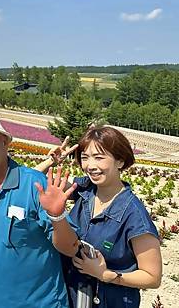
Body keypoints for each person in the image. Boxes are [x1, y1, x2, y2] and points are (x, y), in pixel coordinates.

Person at [0, 109, 75, 308]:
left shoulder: (35, 184)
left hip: (40, 303)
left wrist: (58, 216)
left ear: (4, 142)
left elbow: (70, 247)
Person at [38, 126, 162, 307]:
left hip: (110, 301)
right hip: (71, 295)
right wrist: (51, 161)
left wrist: (106, 275)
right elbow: (36, 184)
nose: (90, 166)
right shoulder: (84, 189)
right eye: (85, 157)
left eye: (99, 157)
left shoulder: (134, 215)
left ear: (120, 161)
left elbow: (152, 277)